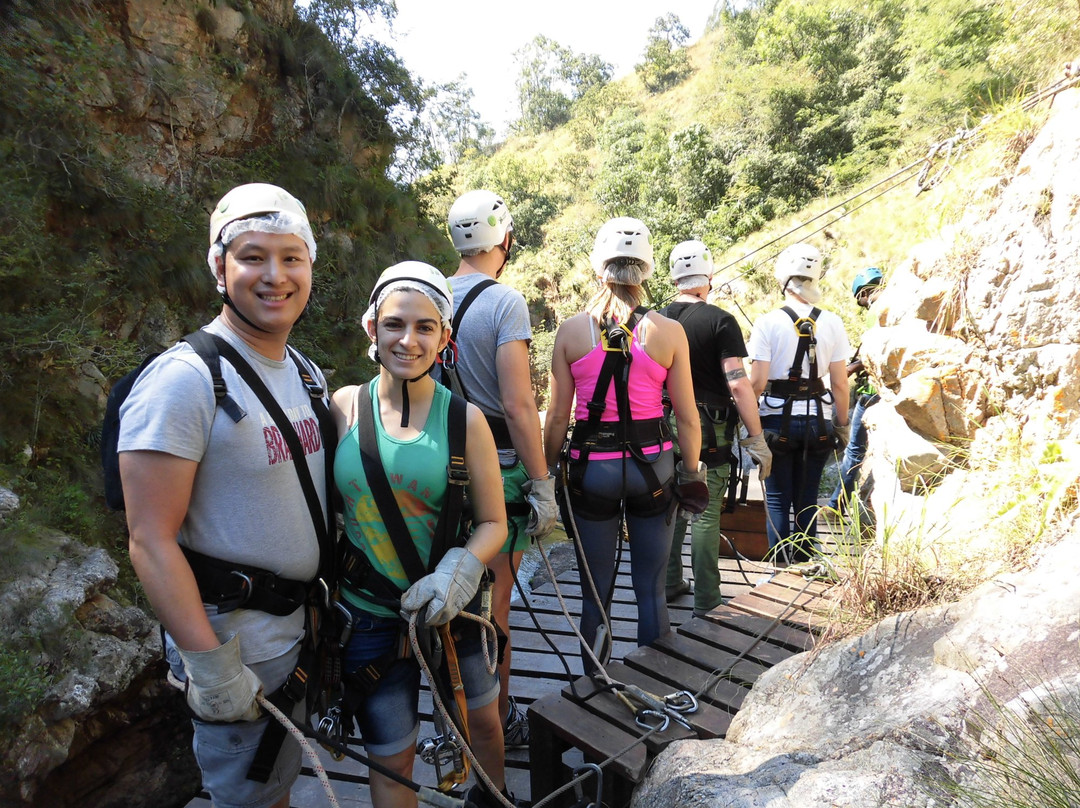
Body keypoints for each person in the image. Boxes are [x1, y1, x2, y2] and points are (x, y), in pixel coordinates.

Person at [119, 183, 331, 808]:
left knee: (274, 790)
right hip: (233, 648)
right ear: (219, 268)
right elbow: (149, 539)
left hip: (297, 637)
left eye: (291, 257)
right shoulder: (183, 383)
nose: (275, 275)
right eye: (252, 256)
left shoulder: (304, 372)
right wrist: (209, 666)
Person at [331, 261, 512, 808]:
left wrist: (461, 568)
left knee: (481, 724)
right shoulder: (343, 407)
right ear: (372, 328)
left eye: (425, 327)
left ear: (444, 337)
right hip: (369, 615)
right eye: (394, 324)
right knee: (392, 758)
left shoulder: (465, 420)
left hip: (453, 609)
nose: (408, 340)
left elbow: (494, 522)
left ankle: (491, 797)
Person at [544, 217, 703, 666]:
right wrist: (691, 472)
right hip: (653, 467)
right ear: (647, 272)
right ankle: (655, 684)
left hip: (591, 469)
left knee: (596, 592)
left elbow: (557, 415)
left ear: (600, 270)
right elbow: (688, 418)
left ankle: (595, 687)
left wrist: (546, 473)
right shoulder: (669, 333)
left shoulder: (572, 332)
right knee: (651, 590)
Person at [445, 189, 557, 748]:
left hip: (436, 465)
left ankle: (453, 718)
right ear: (504, 240)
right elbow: (518, 404)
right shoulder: (505, 302)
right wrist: (542, 484)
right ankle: (497, 717)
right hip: (497, 466)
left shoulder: (427, 294)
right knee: (495, 599)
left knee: (444, 593)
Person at [661, 240, 773, 617]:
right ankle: (707, 600)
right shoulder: (721, 320)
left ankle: (669, 582)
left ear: (674, 277)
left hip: (662, 426)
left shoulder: (655, 320)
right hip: (710, 429)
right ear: (708, 278)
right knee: (704, 512)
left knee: (673, 505)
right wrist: (756, 438)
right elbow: (739, 383)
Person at [748, 243, 852, 562]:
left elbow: (757, 382)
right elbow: (839, 383)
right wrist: (842, 424)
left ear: (783, 279)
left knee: (778, 498)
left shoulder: (767, 322)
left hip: (776, 420)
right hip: (818, 420)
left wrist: (748, 422)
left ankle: (780, 570)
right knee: (807, 498)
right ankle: (806, 562)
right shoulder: (832, 322)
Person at [827, 266, 884, 516]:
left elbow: (873, 350)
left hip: (870, 391)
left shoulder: (876, 311)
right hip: (882, 390)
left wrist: (851, 367)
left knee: (854, 448)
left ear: (863, 292)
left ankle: (836, 505)